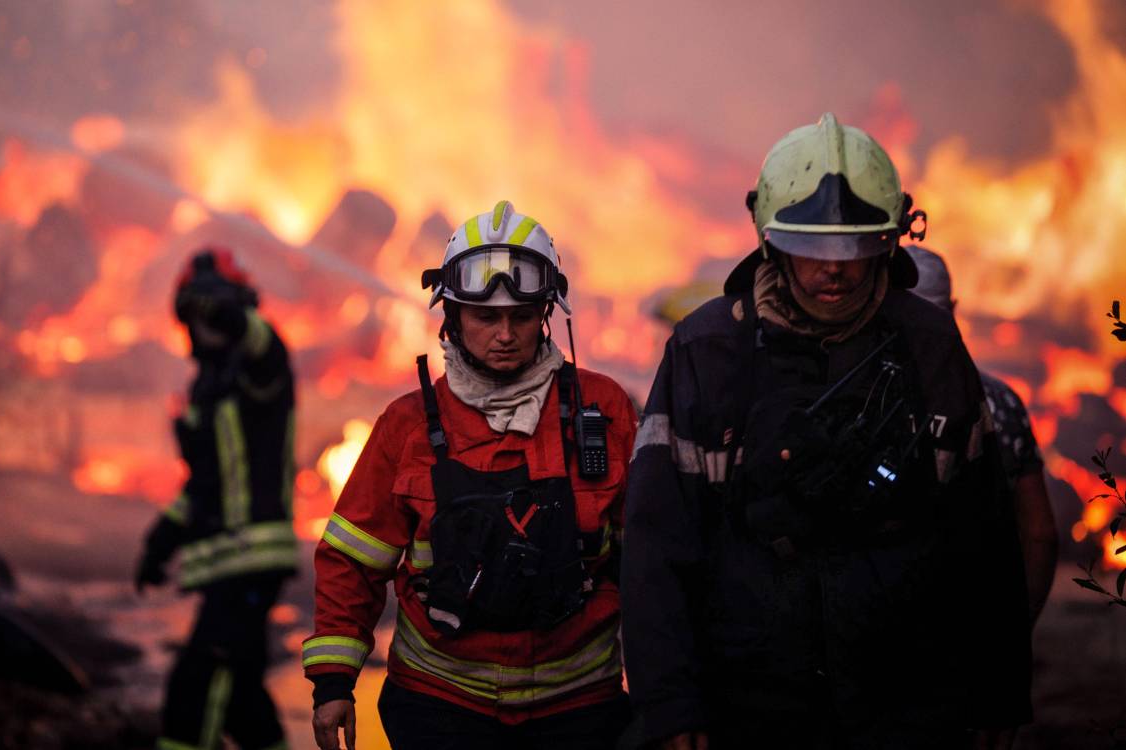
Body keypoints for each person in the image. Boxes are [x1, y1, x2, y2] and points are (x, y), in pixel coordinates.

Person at [619, 114, 1032, 750]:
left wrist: (997, 689)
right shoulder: (707, 350)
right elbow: (657, 545)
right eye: (813, 249)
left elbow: (981, 535)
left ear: (892, 240)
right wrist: (672, 706)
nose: (835, 270)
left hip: (907, 706)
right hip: (748, 706)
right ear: (768, 239)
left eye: (856, 248)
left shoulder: (930, 345)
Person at [304, 201, 636, 750]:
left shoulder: (603, 411)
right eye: (486, 317)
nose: (504, 334)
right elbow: (351, 560)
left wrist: (672, 698)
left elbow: (652, 563)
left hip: (577, 709)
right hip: (440, 707)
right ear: (452, 317)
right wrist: (334, 683)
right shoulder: (406, 426)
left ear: (545, 315)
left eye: (522, 316)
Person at [135, 248, 298, 750]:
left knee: (196, 688)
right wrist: (160, 540)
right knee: (242, 700)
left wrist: (224, 307)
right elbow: (204, 483)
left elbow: (257, 337)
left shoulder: (262, 369)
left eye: (212, 313)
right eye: (193, 315)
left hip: (251, 560)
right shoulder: (205, 389)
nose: (203, 326)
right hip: (223, 564)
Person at [905, 244, 1058, 624]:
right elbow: (1039, 533)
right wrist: (1021, 623)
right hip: (983, 619)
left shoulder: (867, 400)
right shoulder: (1000, 401)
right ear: (952, 310)